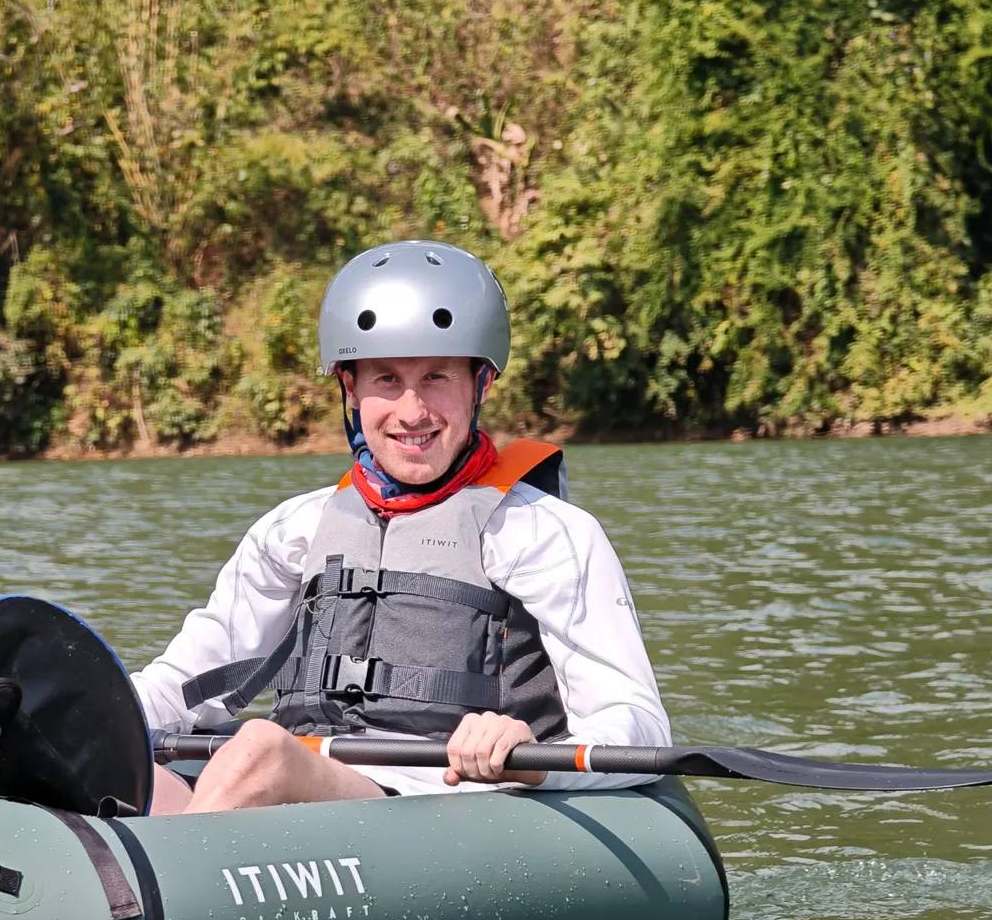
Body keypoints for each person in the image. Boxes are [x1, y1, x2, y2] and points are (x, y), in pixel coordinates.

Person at [135, 240, 668, 816]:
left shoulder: (542, 534)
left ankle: (167, 894)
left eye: (436, 377)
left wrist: (529, 752)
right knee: (133, 775)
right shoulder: (293, 531)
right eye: (386, 379)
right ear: (351, 388)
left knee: (259, 747)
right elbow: (185, 687)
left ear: (479, 384)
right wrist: (72, 715)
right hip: (292, 796)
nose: (412, 412)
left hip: (443, 805)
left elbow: (636, 727)